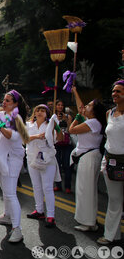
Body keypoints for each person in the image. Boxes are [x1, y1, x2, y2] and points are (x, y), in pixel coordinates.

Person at [0, 89, 29, 243]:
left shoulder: (17, 118)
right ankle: (7, 216)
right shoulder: (2, 114)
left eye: (8, 100)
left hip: (12, 160)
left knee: (10, 194)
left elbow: (11, 136)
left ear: (15, 104)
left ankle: (17, 229)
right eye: (4, 99)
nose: (4, 102)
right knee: (5, 190)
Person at [69, 86, 106, 232]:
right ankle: (90, 220)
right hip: (90, 157)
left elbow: (72, 130)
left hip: (89, 157)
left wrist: (76, 120)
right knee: (87, 189)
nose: (86, 107)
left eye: (89, 105)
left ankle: (88, 222)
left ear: (94, 110)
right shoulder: (93, 121)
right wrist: (75, 91)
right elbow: (81, 107)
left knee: (85, 190)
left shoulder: (92, 122)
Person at [25, 104, 62, 228]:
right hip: (32, 159)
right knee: (36, 186)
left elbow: (60, 139)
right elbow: (23, 139)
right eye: (38, 110)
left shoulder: (49, 126)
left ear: (47, 113)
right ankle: (39, 210)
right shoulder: (29, 125)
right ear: (34, 113)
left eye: (43, 110)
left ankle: (51, 216)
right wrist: (37, 136)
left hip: (47, 160)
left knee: (47, 187)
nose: (40, 112)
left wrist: (57, 128)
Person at [97, 80, 124, 245]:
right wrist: (104, 163)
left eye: (119, 91)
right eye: (114, 91)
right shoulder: (109, 114)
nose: (115, 94)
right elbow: (109, 140)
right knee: (114, 199)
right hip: (112, 164)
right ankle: (111, 235)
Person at [54, 100, 74, 193]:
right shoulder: (53, 116)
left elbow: (70, 130)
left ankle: (68, 186)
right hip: (57, 143)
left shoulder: (68, 116)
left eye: (62, 105)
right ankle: (58, 185)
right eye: (58, 105)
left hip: (67, 143)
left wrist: (66, 120)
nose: (60, 106)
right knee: (56, 165)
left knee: (67, 165)